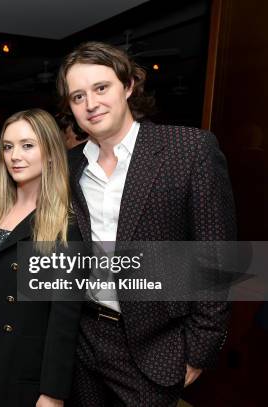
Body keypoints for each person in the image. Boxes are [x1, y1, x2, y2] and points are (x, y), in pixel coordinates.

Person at [56, 41, 236, 406]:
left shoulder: (189, 149)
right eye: (78, 96)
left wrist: (198, 350)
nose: (91, 104)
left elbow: (216, 258)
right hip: (82, 341)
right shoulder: (69, 165)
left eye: (101, 88)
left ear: (128, 86)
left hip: (155, 347)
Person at [0, 109, 83, 407]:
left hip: (21, 370)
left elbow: (63, 318)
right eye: (8, 146)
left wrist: (53, 392)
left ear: (52, 153)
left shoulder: (63, 223)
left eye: (28, 145)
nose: (15, 155)